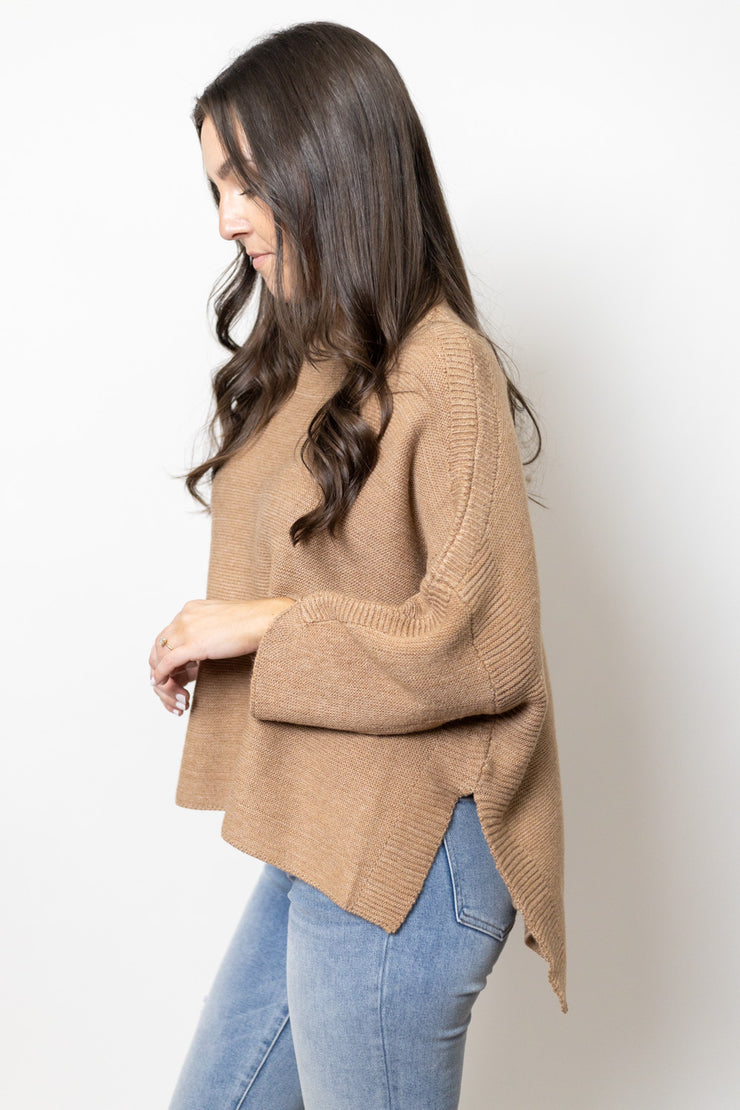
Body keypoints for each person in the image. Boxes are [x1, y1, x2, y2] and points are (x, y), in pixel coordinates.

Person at [149, 20, 568, 1110]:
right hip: (326, 824)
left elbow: (486, 647)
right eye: (216, 188)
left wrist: (258, 627)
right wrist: (221, 632)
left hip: (413, 843)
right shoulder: (315, 358)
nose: (228, 217)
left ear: (330, 162)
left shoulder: (444, 367)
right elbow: (324, 578)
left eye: (248, 182)